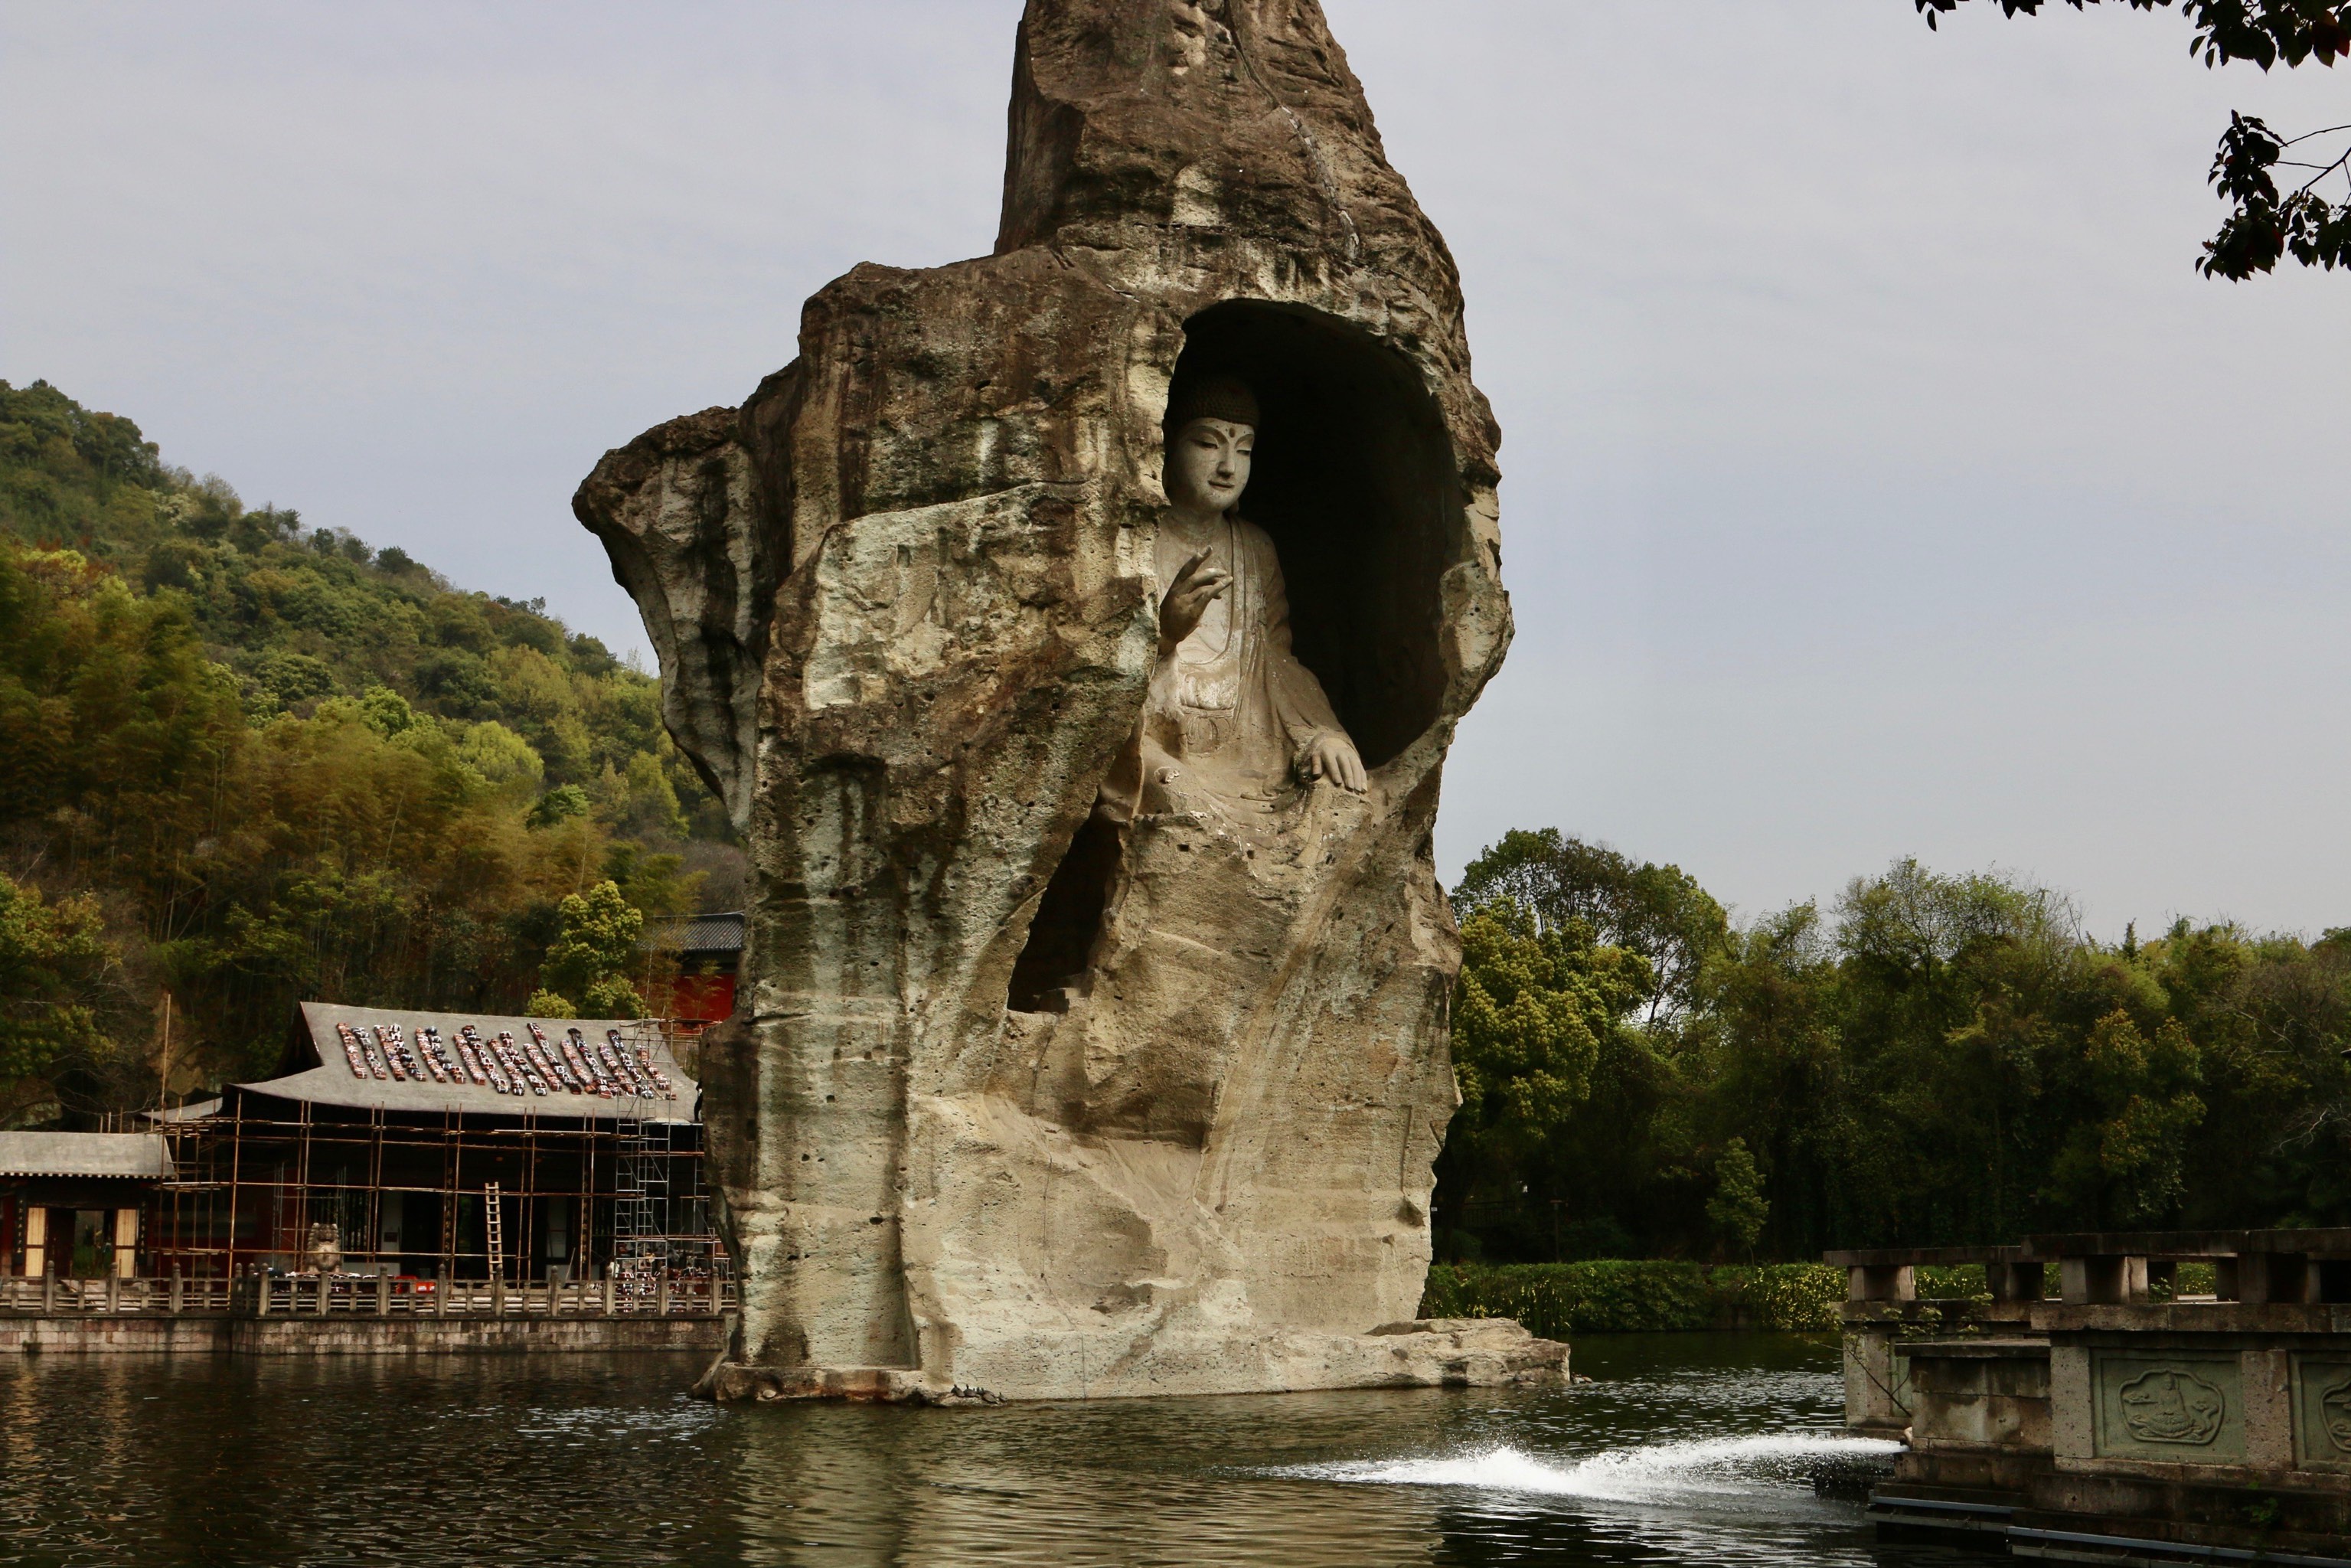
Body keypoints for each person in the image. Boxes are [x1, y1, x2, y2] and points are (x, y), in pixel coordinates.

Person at [1099, 374, 1366, 825]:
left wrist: (1323, 735)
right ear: (1166, 449)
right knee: (1184, 805)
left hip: (1251, 745)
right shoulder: (1132, 535)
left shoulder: (1255, 549)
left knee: (1339, 800)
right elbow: (1092, 672)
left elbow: (1277, 662)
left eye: (1243, 451)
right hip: (1153, 743)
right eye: (1207, 445)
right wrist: (1163, 638)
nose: (1227, 467)